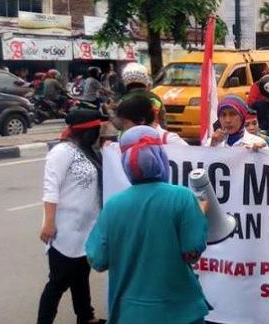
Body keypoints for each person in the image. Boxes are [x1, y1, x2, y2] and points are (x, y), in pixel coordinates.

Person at [85, 126, 209, 323]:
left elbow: (97, 260)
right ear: (160, 156)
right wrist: (199, 215)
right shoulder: (182, 197)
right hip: (179, 311)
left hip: (128, 313)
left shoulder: (113, 206)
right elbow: (192, 252)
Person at [37, 110, 105, 324]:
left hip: (86, 227)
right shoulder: (62, 152)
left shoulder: (89, 151)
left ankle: (85, 316)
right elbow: (51, 188)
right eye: (97, 129)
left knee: (81, 275)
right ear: (87, 131)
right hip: (65, 228)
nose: (100, 133)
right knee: (58, 281)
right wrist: (49, 222)